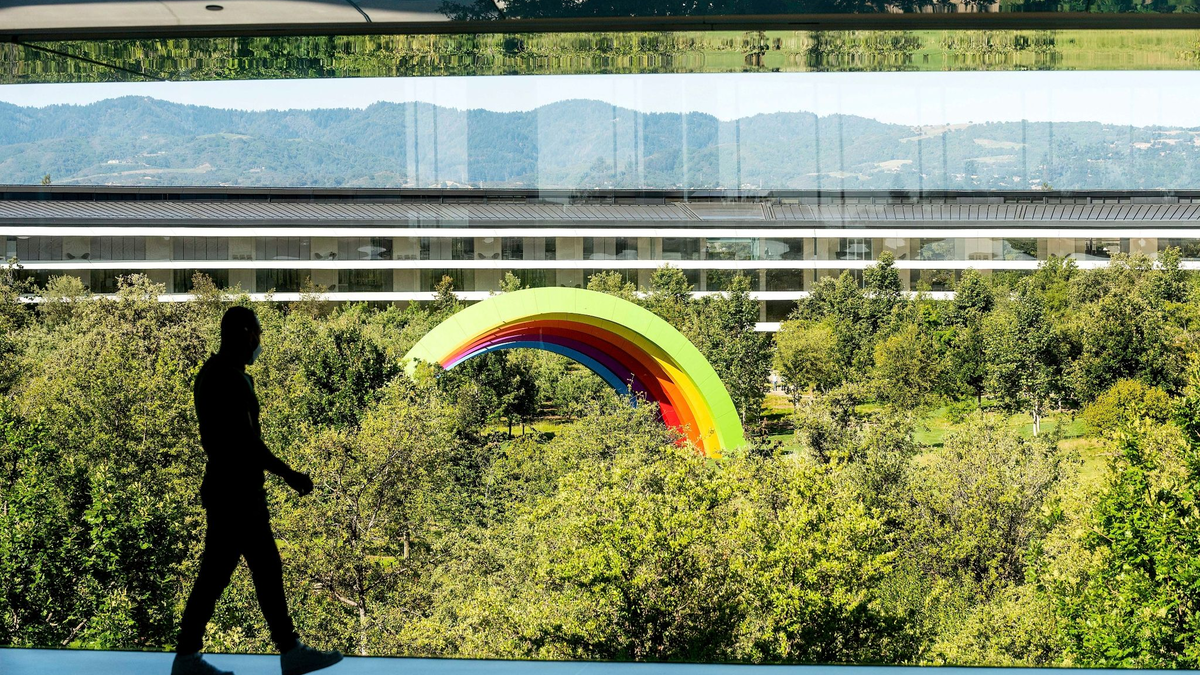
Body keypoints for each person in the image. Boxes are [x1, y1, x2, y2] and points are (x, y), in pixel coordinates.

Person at [173, 306, 343, 675]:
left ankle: (195, 657)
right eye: (258, 333)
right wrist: (291, 475)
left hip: (224, 489)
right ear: (246, 333)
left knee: (239, 572)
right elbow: (249, 444)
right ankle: (283, 651)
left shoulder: (208, 374)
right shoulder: (233, 380)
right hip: (239, 495)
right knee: (246, 572)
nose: (259, 342)